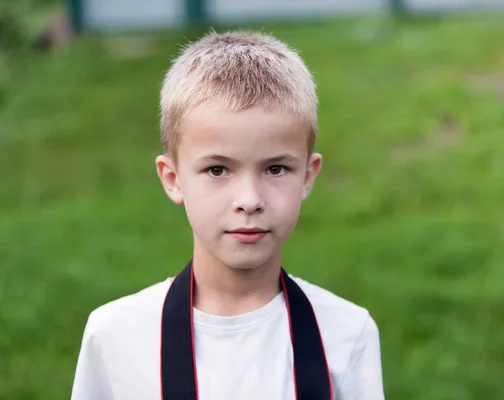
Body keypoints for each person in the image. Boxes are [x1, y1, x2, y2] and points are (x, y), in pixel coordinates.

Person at [70, 29, 385, 400]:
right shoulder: (114, 337)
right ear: (172, 179)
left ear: (308, 175)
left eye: (276, 169)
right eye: (218, 170)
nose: (249, 200)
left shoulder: (347, 334)